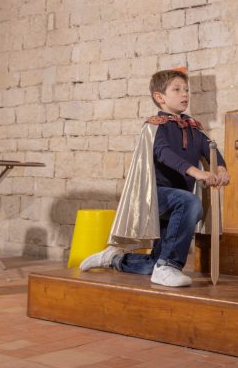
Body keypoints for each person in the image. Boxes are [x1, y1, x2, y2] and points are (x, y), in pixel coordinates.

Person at [80, 69, 230, 287]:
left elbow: (210, 150)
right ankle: (168, 266)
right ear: (160, 97)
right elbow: (164, 153)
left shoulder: (193, 127)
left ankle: (113, 259)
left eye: (186, 90)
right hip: (155, 197)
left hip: (176, 201)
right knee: (189, 202)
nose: (184, 94)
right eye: (177, 90)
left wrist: (222, 169)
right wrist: (196, 172)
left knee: (151, 263)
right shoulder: (155, 126)